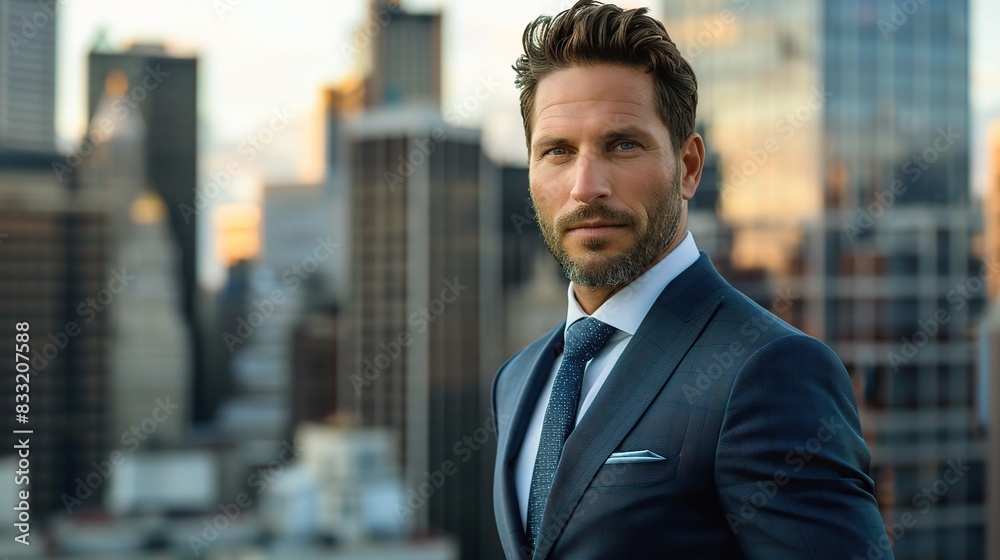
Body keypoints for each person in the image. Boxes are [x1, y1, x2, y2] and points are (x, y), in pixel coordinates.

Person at [490, 2, 892, 558]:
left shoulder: (771, 371)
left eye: (622, 144)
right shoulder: (517, 380)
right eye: (557, 151)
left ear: (689, 166)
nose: (586, 186)